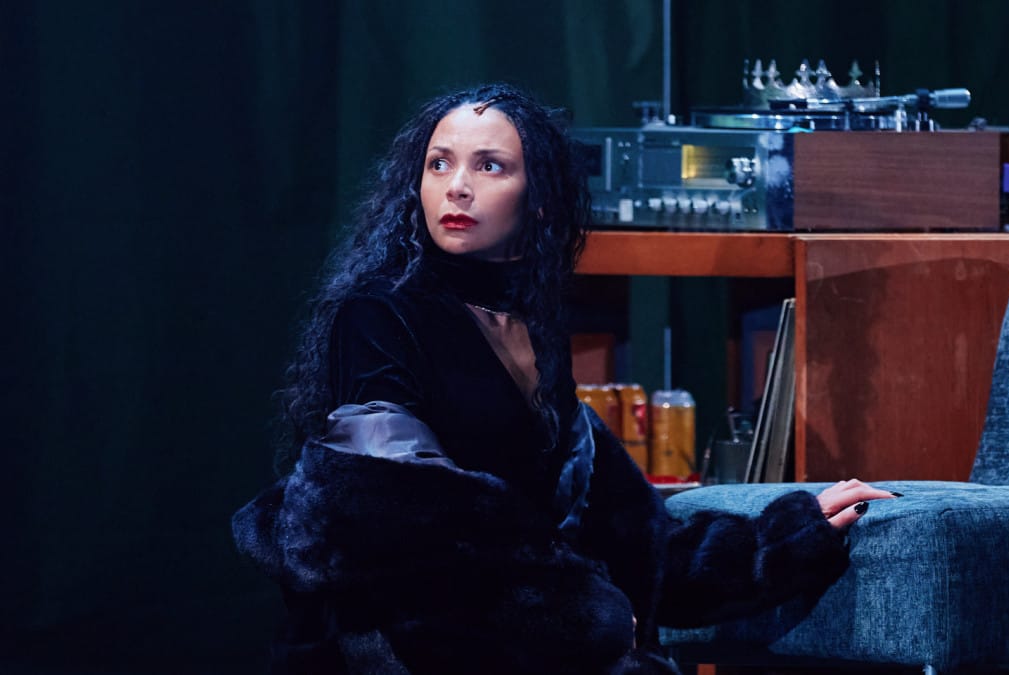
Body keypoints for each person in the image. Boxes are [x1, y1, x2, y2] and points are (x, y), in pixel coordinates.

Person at [232, 83, 895, 675]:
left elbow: (626, 529)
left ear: (541, 200)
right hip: (391, 643)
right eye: (439, 164)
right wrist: (583, 618)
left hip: (506, 637)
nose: (456, 186)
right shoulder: (379, 312)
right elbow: (399, 513)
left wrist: (791, 533)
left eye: (489, 165)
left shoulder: (536, 331)